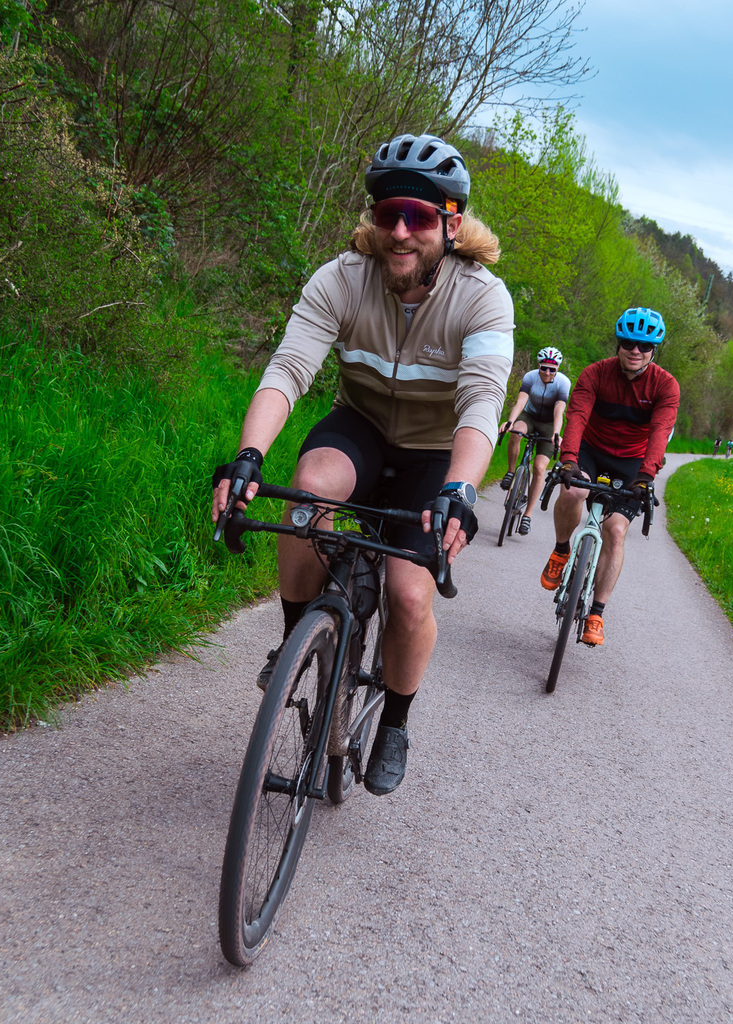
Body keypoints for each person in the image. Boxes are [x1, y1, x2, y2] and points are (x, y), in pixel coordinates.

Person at [211, 133, 514, 795]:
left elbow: (482, 402)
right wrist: (248, 457)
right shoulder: (342, 277)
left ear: (452, 223)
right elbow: (288, 370)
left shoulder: (482, 297)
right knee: (307, 492)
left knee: (408, 594)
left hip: (435, 453)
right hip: (363, 429)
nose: (400, 231)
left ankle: (395, 721)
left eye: (420, 216)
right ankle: (296, 643)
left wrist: (461, 490)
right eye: (387, 214)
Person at [539, 307, 680, 647]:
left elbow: (661, 432)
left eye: (644, 346)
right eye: (629, 343)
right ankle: (561, 550)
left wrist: (646, 475)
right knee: (573, 492)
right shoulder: (596, 374)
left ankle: (597, 613)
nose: (636, 351)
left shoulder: (665, 385)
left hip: (633, 462)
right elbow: (577, 416)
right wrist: (569, 459)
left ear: (654, 350)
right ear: (618, 344)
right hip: (592, 449)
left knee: (615, 531)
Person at [498, 347, 570, 535]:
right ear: (539, 366)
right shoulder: (530, 377)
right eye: (544, 368)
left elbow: (559, 411)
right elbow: (521, 402)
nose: (547, 372)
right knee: (516, 432)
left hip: (549, 424)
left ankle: (527, 515)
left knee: (539, 468)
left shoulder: (563, 383)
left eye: (552, 369)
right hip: (529, 416)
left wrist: (556, 433)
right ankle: (511, 472)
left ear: (557, 368)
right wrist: (510, 422)